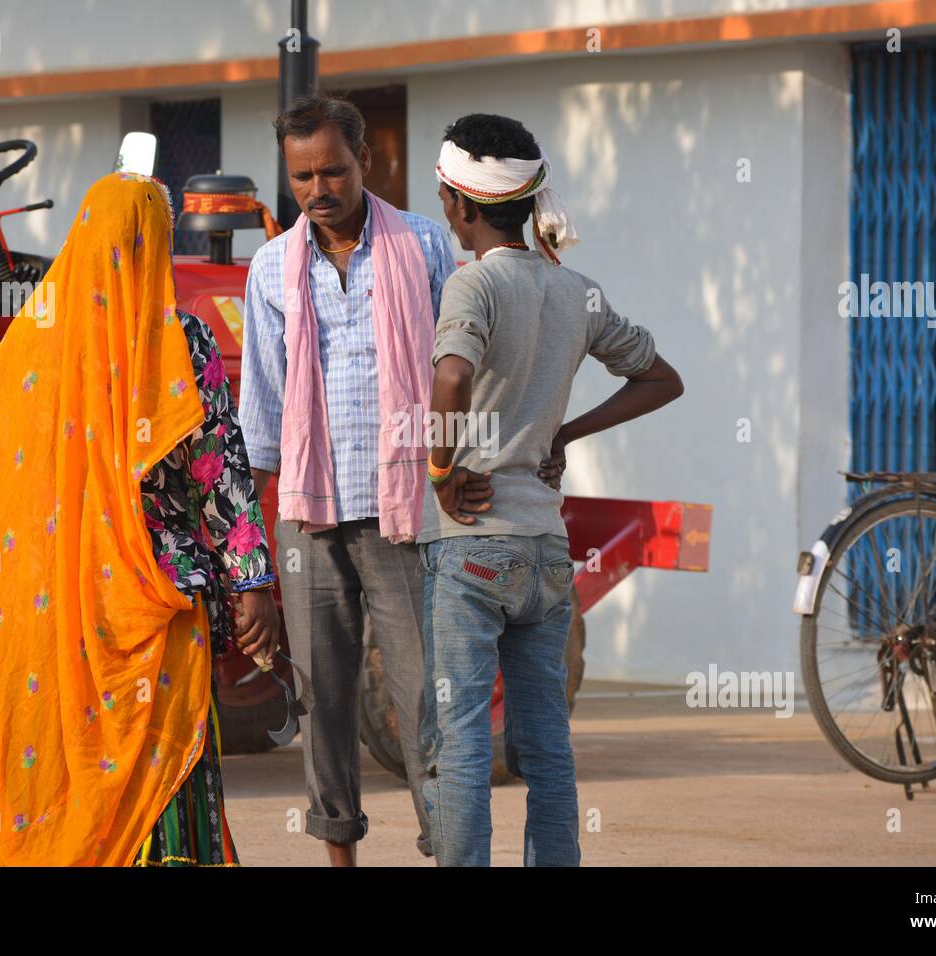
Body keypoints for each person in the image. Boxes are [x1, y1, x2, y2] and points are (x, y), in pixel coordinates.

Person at [0, 171, 279, 866]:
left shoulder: (30, 345)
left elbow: (0, 486)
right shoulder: (182, 341)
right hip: (159, 596)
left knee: (56, 758)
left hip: (50, 602)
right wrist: (253, 581)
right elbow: (218, 473)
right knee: (158, 763)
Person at [419, 114, 684, 866]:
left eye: (445, 196)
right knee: (547, 745)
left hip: (471, 548)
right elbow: (661, 378)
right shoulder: (576, 291)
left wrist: (442, 473)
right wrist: (562, 435)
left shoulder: (471, 284)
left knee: (465, 738)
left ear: (462, 206)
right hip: (545, 551)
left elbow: (451, 376)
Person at [239, 93, 455, 865]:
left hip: (409, 514)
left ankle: (449, 847)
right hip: (309, 515)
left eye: (333, 170)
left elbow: (457, 378)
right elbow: (259, 417)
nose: (318, 189)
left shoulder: (426, 246)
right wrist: (249, 567)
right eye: (302, 176)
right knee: (320, 704)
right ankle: (340, 859)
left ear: (367, 162)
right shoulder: (270, 269)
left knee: (427, 700)